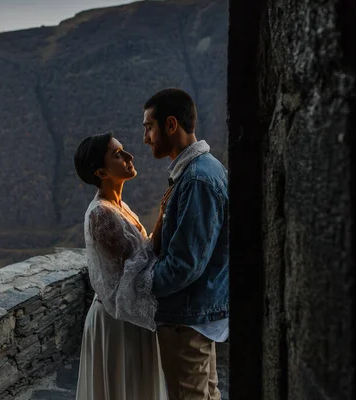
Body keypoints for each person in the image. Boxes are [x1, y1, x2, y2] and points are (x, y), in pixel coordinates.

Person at [143, 88, 229, 400]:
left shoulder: (197, 179)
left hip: (186, 318)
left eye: (148, 127)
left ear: (170, 125)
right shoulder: (200, 172)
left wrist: (142, 286)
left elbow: (185, 264)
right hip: (197, 314)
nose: (145, 138)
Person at [73, 132, 167, 400]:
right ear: (101, 171)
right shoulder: (101, 214)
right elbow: (136, 267)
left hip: (128, 317)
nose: (129, 156)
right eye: (118, 154)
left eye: (124, 150)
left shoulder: (120, 206)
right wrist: (163, 217)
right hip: (117, 324)